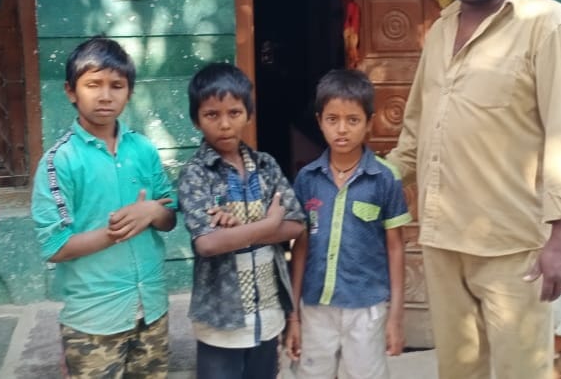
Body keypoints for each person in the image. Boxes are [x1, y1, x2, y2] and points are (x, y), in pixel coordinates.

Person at [385, 0, 561, 379]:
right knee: (460, 371)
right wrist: (361, 178)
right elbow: (416, 130)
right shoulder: (441, 30)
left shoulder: (549, 27)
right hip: (442, 242)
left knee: (520, 371)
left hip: (513, 249)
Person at [30, 37, 176, 379]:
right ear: (70, 91)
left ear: (130, 92)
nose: (105, 95)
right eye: (93, 84)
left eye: (117, 85)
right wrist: (115, 233)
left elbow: (170, 216)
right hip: (94, 320)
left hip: (152, 309)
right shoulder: (59, 161)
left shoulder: (143, 149)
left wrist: (153, 212)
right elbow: (55, 246)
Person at [177, 62, 306, 379]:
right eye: (212, 115)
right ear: (196, 119)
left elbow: (296, 224)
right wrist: (265, 226)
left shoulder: (266, 166)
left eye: (234, 113)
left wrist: (238, 232)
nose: (224, 124)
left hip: (268, 313)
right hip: (221, 322)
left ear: (248, 114)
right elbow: (207, 243)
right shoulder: (196, 173)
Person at [284, 69, 410, 379]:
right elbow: (299, 247)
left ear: (369, 123)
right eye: (332, 119)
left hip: (366, 308)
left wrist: (395, 316)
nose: (342, 129)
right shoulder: (307, 179)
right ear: (319, 121)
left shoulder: (384, 178)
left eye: (353, 120)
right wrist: (294, 315)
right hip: (315, 306)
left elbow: (395, 248)